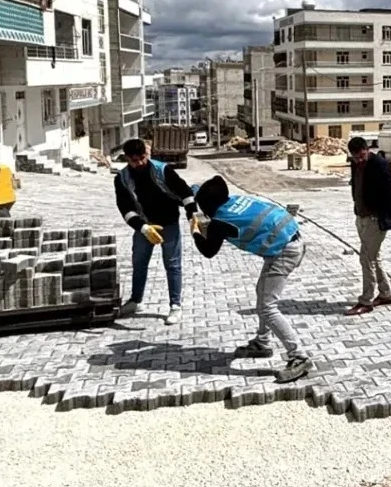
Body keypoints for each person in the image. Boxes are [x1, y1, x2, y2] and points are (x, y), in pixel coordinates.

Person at [189, 176, 310, 383]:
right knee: (262, 293)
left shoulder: (219, 222)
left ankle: (299, 356)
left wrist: (195, 231)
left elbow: (209, 250)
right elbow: (197, 190)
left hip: (284, 252)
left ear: (208, 205)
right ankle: (262, 343)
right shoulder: (235, 200)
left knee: (267, 307)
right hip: (292, 239)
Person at [113, 138, 195, 323]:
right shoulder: (122, 179)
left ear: (146, 154)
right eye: (134, 160)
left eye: (142, 158)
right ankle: (136, 300)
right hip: (145, 226)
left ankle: (175, 305)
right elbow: (125, 208)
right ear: (127, 158)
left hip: (169, 224)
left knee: (173, 265)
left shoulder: (162, 170)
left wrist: (192, 214)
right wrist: (142, 227)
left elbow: (185, 192)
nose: (139, 163)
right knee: (139, 264)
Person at [344, 136, 391, 316]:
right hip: (361, 217)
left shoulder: (380, 164)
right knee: (374, 257)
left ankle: (366, 300)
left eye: (362, 156)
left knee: (366, 258)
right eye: (355, 158)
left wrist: (377, 214)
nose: (359, 160)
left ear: (367, 150)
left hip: (375, 220)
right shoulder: (355, 164)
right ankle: (385, 294)